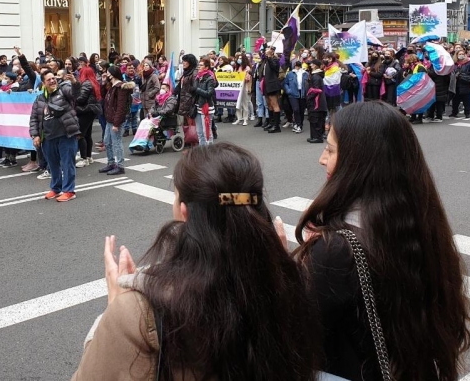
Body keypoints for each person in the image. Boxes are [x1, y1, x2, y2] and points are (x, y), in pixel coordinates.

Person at [72, 143, 320, 380]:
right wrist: (280, 265)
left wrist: (115, 308)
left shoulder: (141, 311)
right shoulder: (289, 282)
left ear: (184, 212)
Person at [290, 101, 470, 381]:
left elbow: (292, 329)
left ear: (358, 161)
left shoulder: (338, 251)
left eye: (330, 149)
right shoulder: (418, 221)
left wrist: (283, 265)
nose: (322, 159)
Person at [30, 70, 81, 202]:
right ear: (43, 83)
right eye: (49, 80)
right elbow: (34, 119)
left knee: (67, 163)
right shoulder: (39, 99)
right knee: (52, 164)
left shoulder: (64, 90)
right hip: (48, 137)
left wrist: (75, 83)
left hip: (66, 135)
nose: (53, 81)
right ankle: (56, 188)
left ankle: (69, 190)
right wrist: (35, 135)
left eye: (54, 78)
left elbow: (76, 94)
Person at [99, 65, 133, 176]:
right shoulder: (112, 86)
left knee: (116, 143)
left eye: (108, 72)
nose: (106, 74)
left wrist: (117, 123)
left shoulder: (120, 87)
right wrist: (103, 83)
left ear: (112, 74)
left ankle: (120, 166)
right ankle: (111, 162)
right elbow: (103, 96)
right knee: (107, 142)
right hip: (110, 119)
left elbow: (121, 107)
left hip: (115, 120)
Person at [307, 59, 327, 143]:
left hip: (316, 102)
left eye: (312, 64)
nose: (310, 65)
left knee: (316, 119)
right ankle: (316, 136)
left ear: (315, 65)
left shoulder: (316, 76)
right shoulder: (317, 75)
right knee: (317, 119)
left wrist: (309, 97)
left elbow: (316, 90)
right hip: (319, 102)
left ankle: (317, 137)